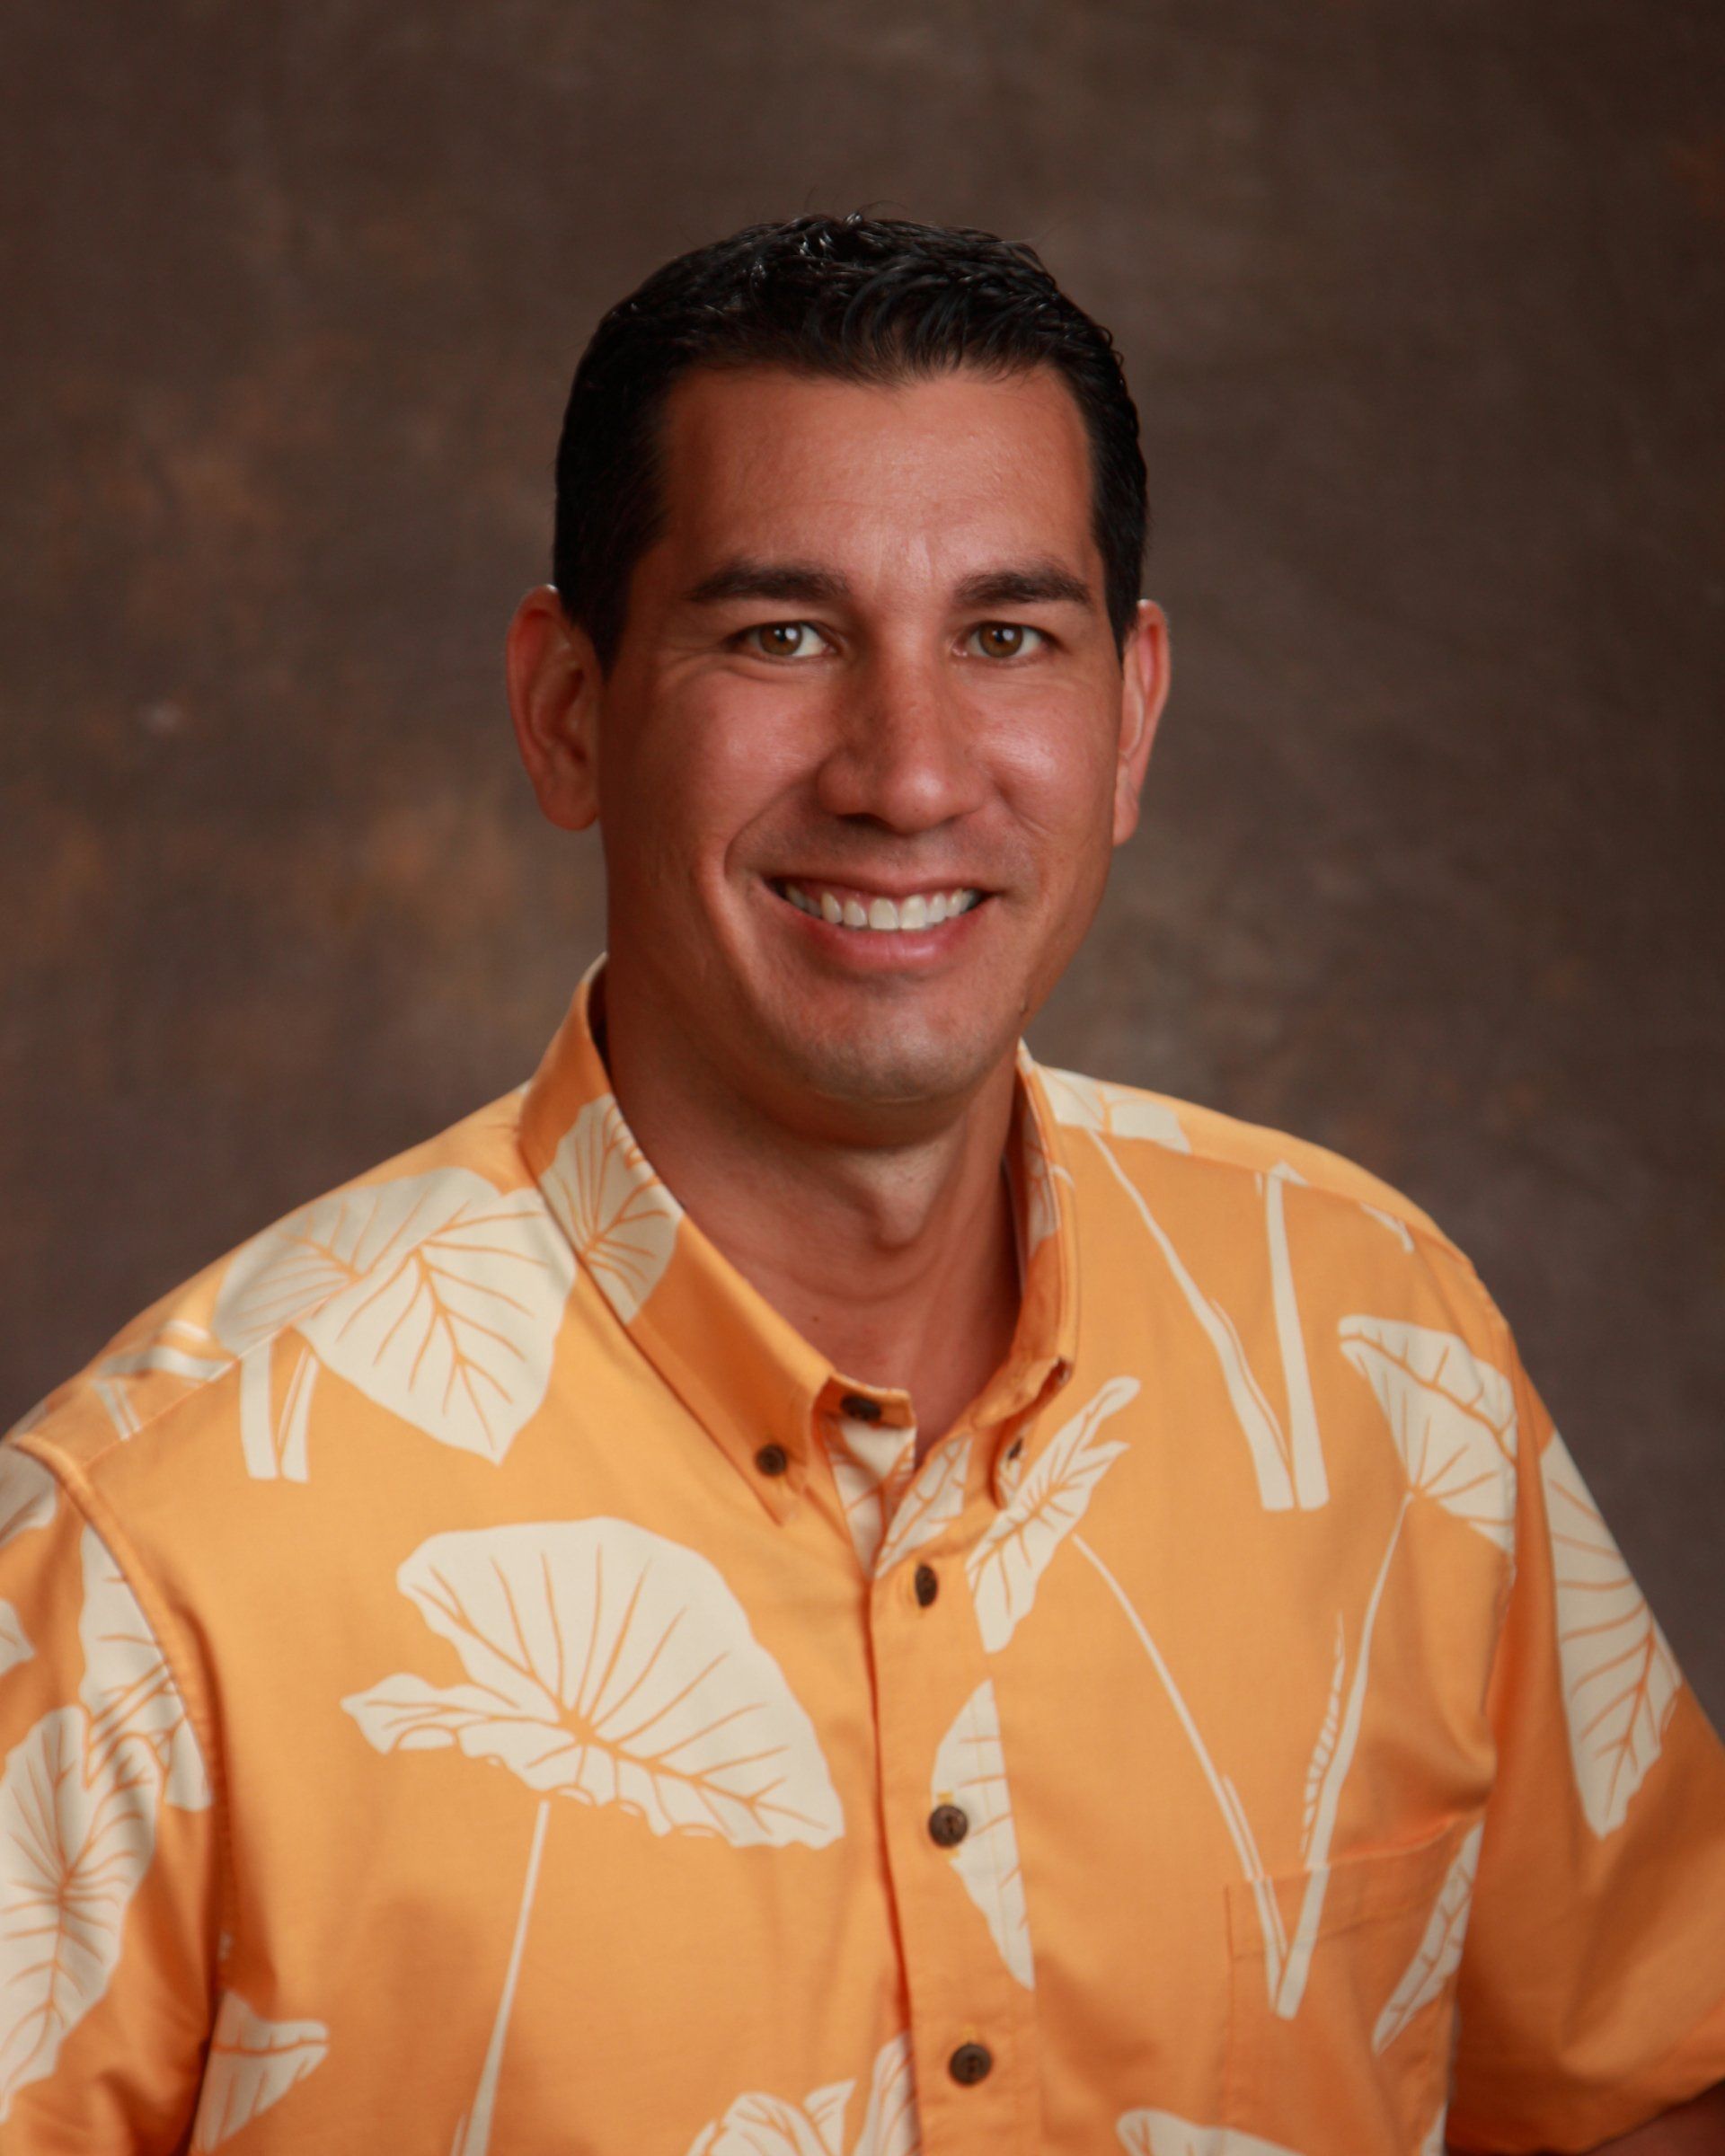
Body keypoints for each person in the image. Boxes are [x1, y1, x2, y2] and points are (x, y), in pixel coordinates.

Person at [1, 212, 1721, 2156]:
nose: (908, 773)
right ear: (569, 709)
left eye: (1005, 636)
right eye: (782, 635)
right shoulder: (154, 1555)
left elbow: (1645, 2088)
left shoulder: (1379, 1355)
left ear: (1132, 714)